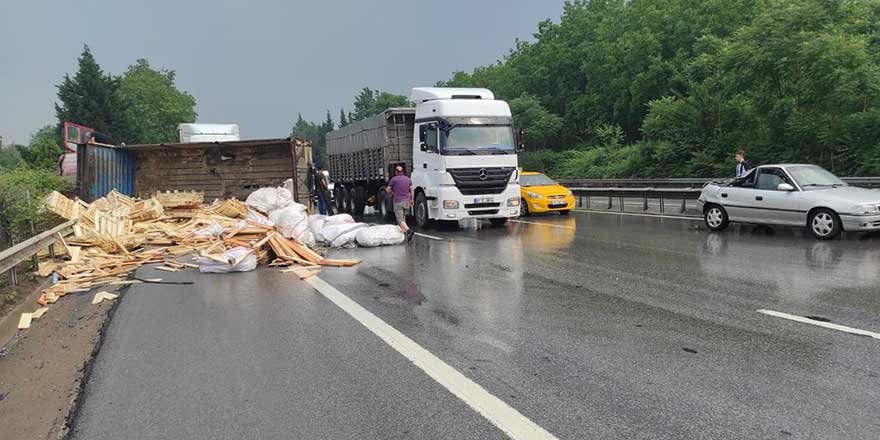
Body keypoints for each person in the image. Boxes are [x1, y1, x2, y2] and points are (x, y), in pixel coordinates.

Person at [387, 166, 414, 242]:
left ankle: (409, 231)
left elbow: (388, 189)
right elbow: (412, 190)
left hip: (398, 201)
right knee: (403, 218)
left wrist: (392, 193)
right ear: (403, 171)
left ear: (396, 172)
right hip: (407, 201)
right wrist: (412, 199)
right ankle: (404, 236)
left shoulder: (394, 179)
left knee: (400, 219)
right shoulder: (408, 179)